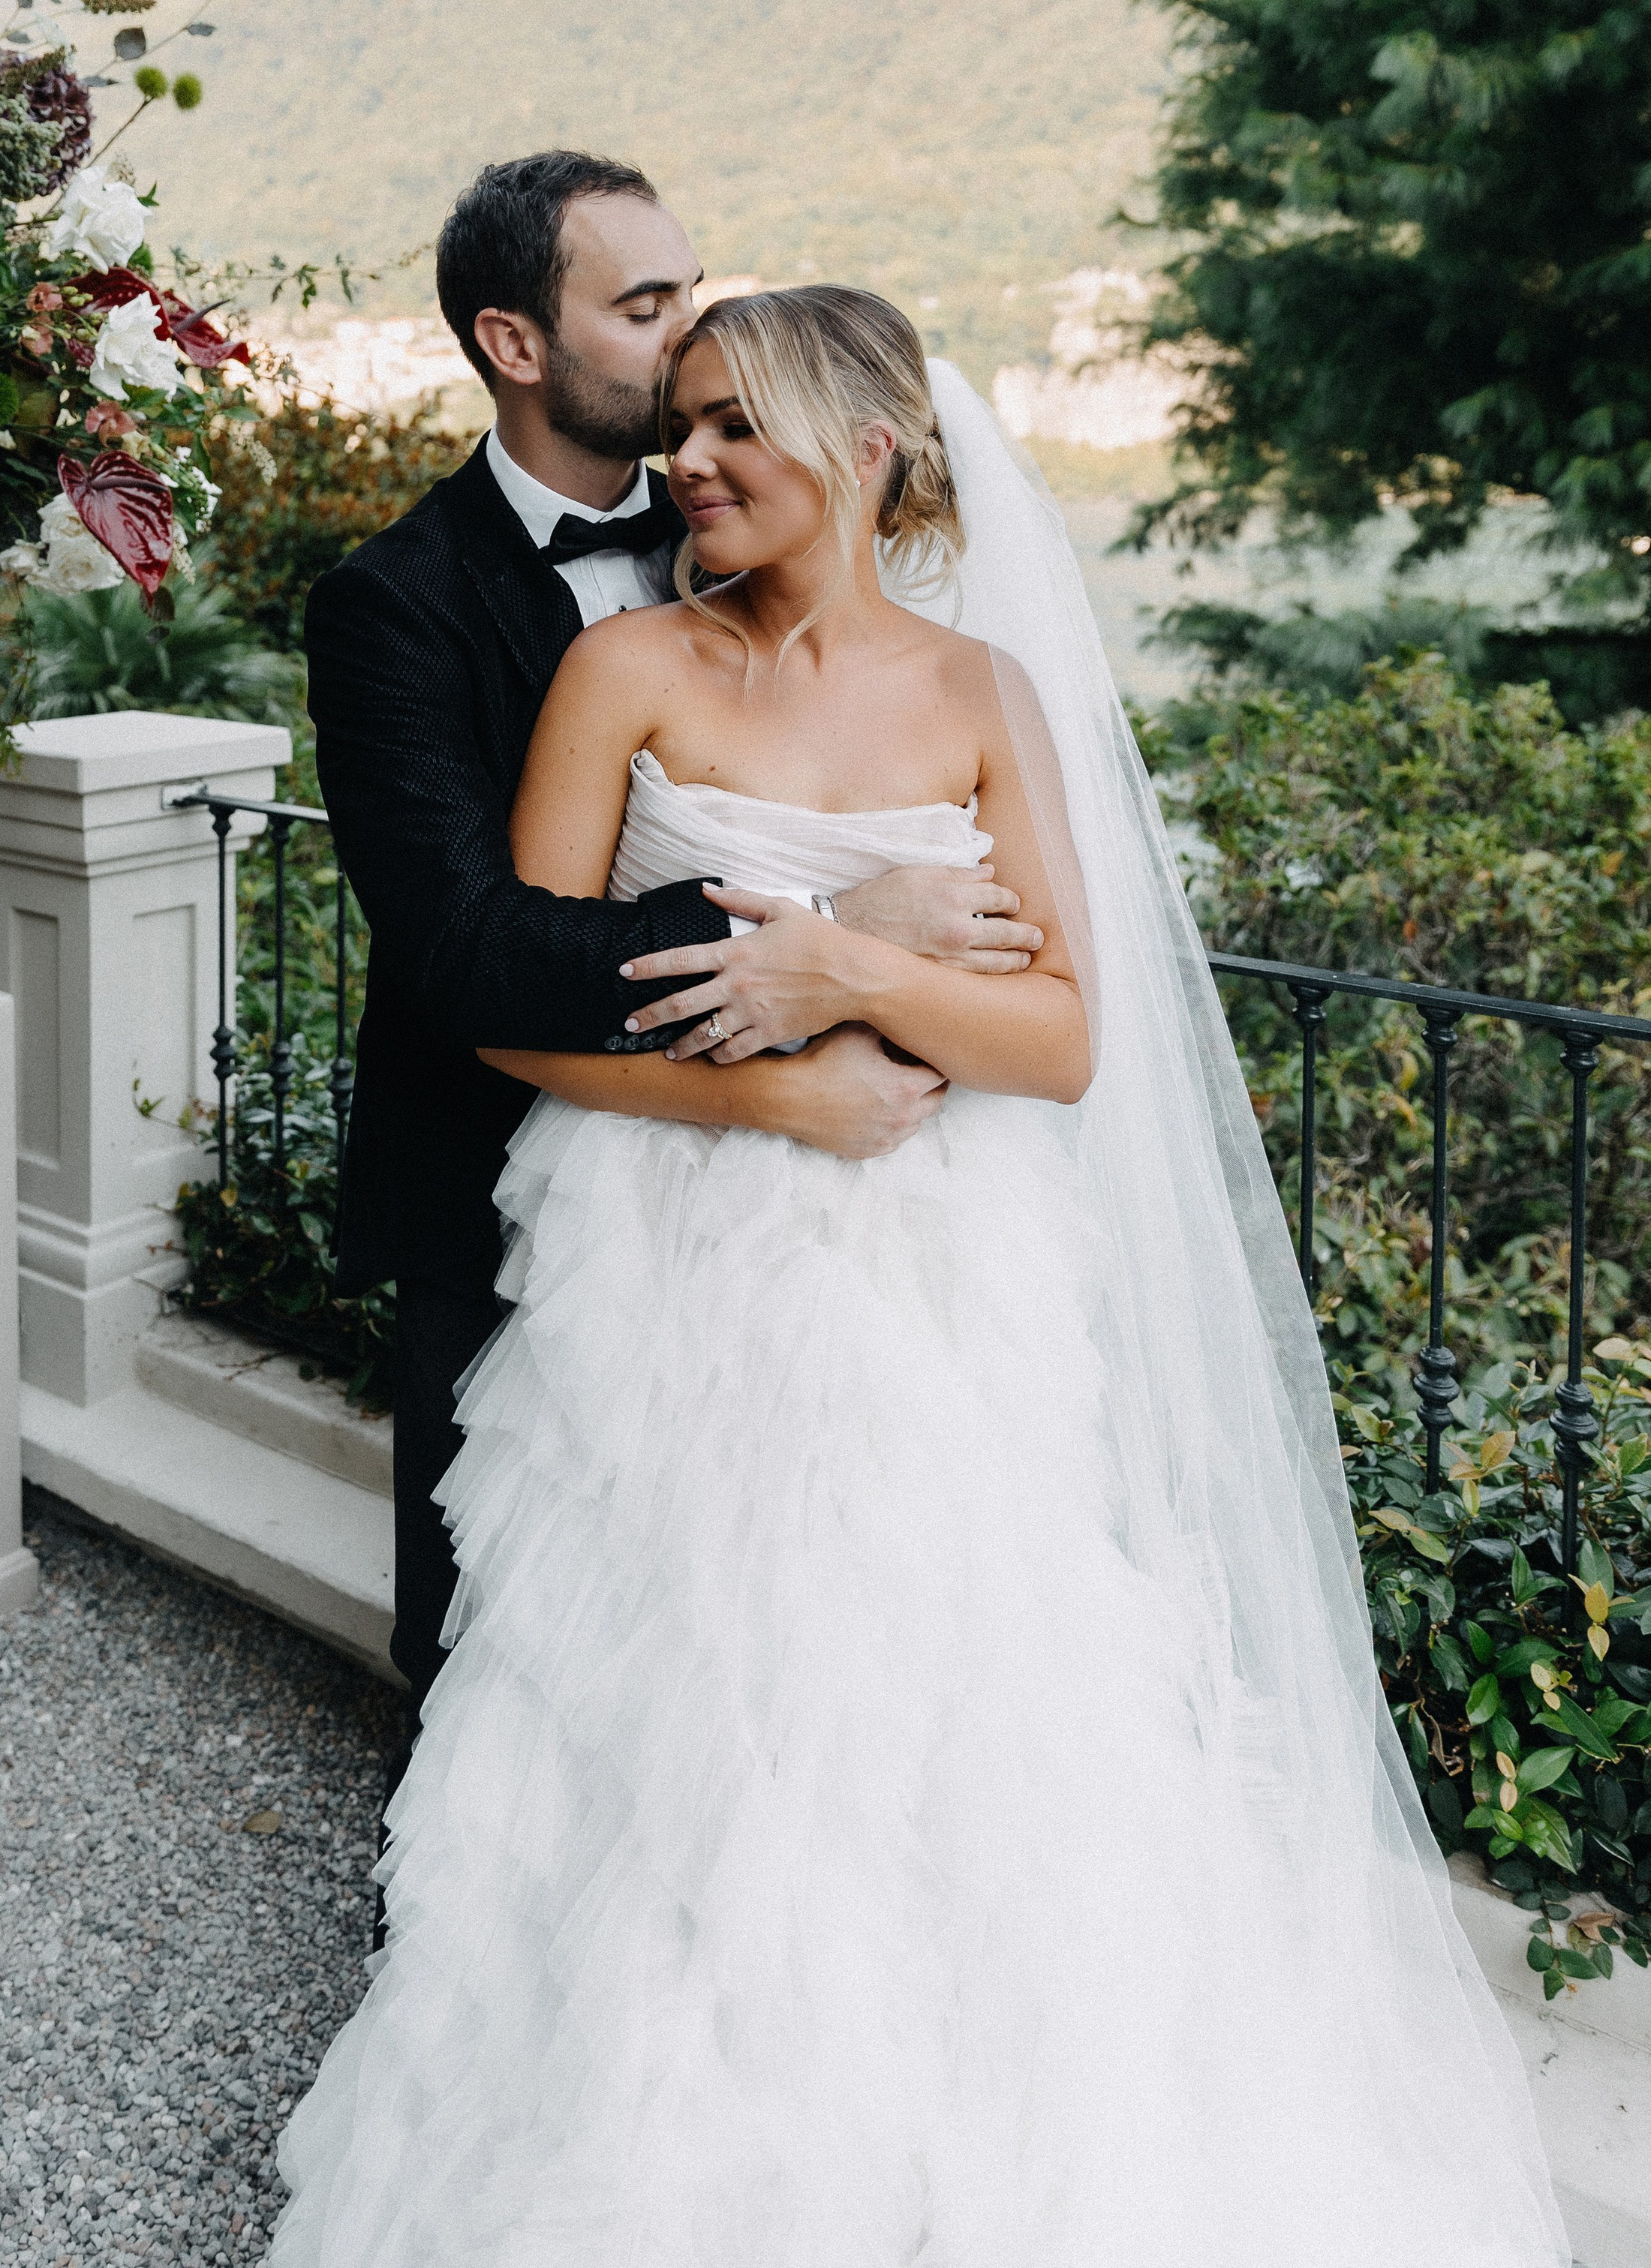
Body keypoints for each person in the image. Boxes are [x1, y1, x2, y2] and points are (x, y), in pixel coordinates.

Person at [274, 287, 1568, 2265]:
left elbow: (1061, 1036)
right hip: (660, 1249)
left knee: (927, 1682)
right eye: (681, 420)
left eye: (732, 424)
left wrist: (842, 966)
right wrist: (776, 1079)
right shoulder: (625, 669)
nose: (686, 461)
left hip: (934, 1282)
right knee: (674, 1676)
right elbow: (512, 1014)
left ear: (864, 447)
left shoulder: (981, 696)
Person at [305, 154, 1045, 1703]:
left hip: (852, 1219)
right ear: (517, 343)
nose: (689, 342)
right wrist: (827, 936)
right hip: (516, 1182)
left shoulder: (749, 514)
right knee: (497, 1645)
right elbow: (470, 954)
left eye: (692, 300)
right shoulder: (396, 603)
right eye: (646, 310)